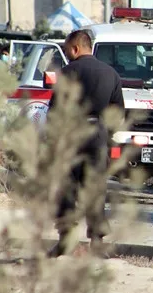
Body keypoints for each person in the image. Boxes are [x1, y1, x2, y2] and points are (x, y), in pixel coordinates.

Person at [48, 30, 124, 257]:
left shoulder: (68, 71)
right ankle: (97, 242)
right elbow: (118, 112)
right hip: (97, 134)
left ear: (75, 49)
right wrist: (104, 132)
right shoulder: (110, 73)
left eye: (66, 49)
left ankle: (65, 241)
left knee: (67, 187)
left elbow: (55, 109)